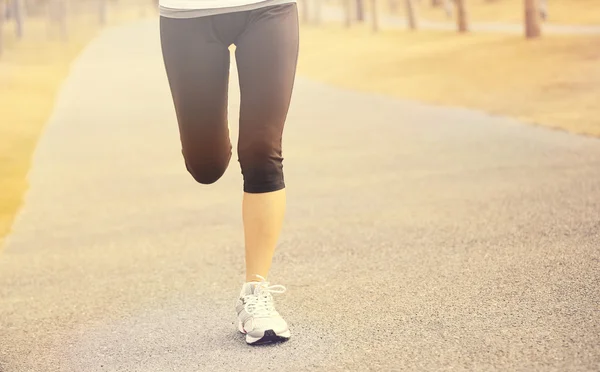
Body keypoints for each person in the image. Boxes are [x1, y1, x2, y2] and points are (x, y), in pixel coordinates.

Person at [158, 0, 299, 345]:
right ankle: (206, 149)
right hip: (188, 15)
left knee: (262, 150)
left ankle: (256, 291)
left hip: (269, 9)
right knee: (205, 165)